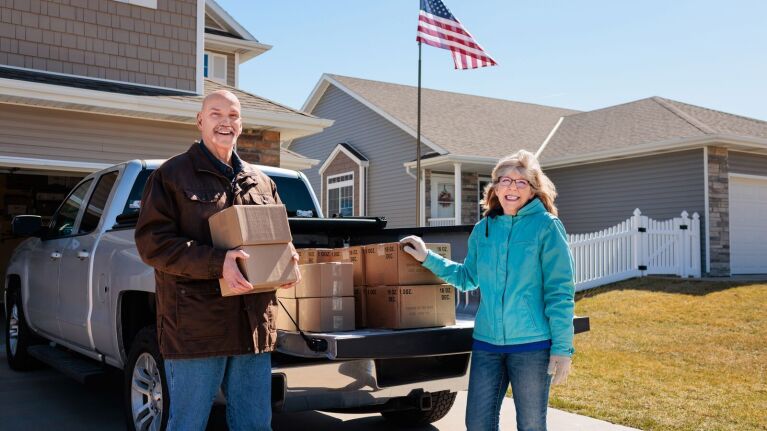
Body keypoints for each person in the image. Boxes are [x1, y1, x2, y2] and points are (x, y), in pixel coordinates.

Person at [135, 90, 300, 431]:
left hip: (252, 327)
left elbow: (278, 239)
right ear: (200, 121)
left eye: (234, 115)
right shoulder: (171, 175)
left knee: (255, 425)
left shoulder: (262, 181)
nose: (226, 122)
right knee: (188, 425)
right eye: (216, 114)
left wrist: (288, 260)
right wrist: (217, 262)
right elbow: (153, 244)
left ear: (241, 124)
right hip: (197, 328)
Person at [400, 150, 575, 431]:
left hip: (531, 346)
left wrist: (562, 349)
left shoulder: (547, 227)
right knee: (478, 424)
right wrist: (427, 257)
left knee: (531, 425)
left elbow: (560, 292)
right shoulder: (483, 229)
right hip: (487, 345)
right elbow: (467, 277)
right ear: (495, 187)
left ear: (533, 190)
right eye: (506, 180)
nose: (512, 188)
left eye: (522, 182)